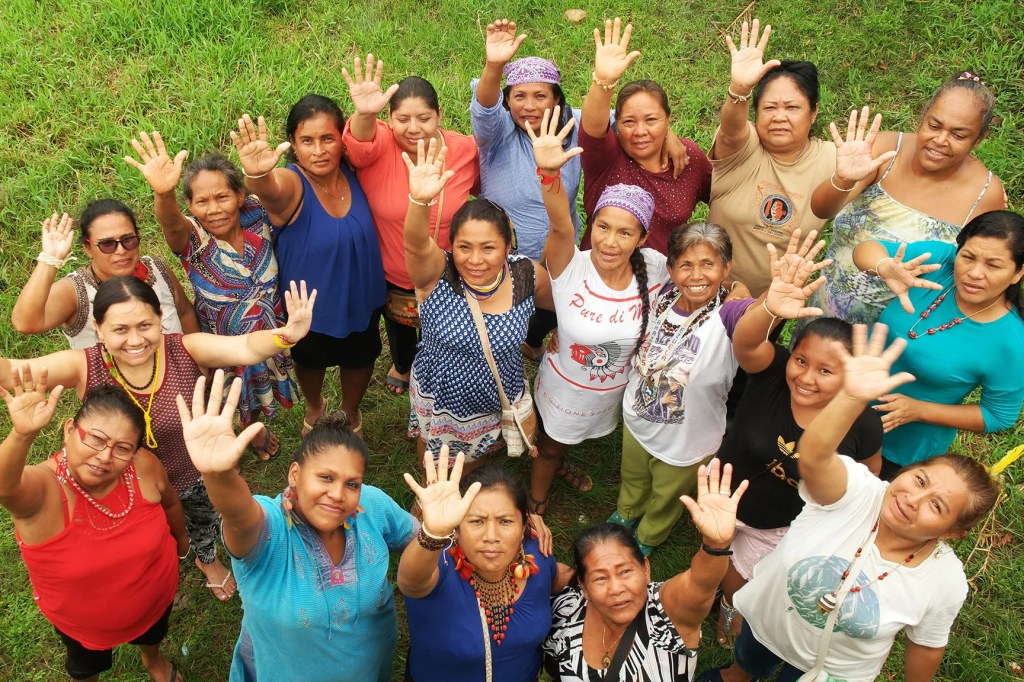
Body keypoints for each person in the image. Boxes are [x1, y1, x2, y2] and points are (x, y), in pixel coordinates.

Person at [700, 325, 1001, 682]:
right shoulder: (858, 493)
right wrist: (851, 399)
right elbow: (812, 457)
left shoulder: (944, 581)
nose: (912, 499)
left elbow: (927, 645)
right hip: (766, 624)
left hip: (832, 671)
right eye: (919, 480)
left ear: (953, 532)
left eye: (937, 506)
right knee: (746, 662)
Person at [0, 275, 315, 602]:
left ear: (159, 321)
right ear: (98, 328)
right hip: (127, 481)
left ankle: (206, 559)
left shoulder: (183, 348)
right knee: (151, 533)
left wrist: (285, 336)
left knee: (205, 520)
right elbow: (13, 372)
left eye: (145, 326)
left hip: (193, 471)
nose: (135, 340)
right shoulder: (83, 365)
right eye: (120, 330)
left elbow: (245, 347)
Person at [177, 370, 416, 681]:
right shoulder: (270, 528)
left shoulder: (371, 504)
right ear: (294, 474)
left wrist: (439, 535)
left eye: (352, 483)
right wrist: (218, 475)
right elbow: (238, 513)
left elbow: (419, 541)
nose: (338, 495)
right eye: (326, 477)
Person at [714, 231, 882, 646]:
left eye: (826, 371)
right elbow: (746, 341)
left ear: (849, 378)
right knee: (712, 552)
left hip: (778, 524)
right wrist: (769, 306)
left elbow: (867, 482)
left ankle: (729, 608)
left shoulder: (860, 424)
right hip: (722, 492)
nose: (805, 377)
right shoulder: (773, 371)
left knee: (736, 579)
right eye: (802, 360)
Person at [0, 368, 187, 682]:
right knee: (86, 667)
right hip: (82, 625)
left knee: (154, 633)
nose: (104, 456)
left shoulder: (143, 466)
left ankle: (152, 660)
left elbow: (169, 501)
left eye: (122, 448)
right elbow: (5, 487)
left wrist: (181, 539)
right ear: (69, 429)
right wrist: (22, 435)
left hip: (155, 596)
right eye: (96, 439)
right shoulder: (44, 490)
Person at [526, 108, 667, 514]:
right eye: (603, 227)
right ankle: (537, 501)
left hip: (612, 396)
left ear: (642, 238)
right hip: (565, 391)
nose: (609, 241)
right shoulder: (572, 265)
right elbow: (559, 227)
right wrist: (549, 176)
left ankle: (562, 461)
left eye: (625, 232)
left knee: (576, 441)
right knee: (550, 446)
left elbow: (699, 279)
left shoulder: (656, 269)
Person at [125, 130, 297, 460]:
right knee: (230, 396)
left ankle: (257, 424)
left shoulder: (257, 215)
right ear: (190, 204)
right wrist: (164, 194)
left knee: (261, 387)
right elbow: (172, 224)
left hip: (271, 328)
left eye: (222, 197)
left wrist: (259, 172)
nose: (214, 209)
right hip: (224, 343)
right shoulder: (193, 239)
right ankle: (253, 433)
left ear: (239, 194)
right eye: (201, 201)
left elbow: (275, 194)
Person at [231, 95, 386, 435]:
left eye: (327, 138)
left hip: (361, 293)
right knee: (310, 359)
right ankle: (315, 408)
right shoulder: (293, 183)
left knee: (360, 355)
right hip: (309, 305)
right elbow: (271, 190)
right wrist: (257, 175)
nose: (319, 150)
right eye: (307, 141)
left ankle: (349, 412)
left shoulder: (353, 171)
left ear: (341, 139)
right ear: (294, 147)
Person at [807, 73, 1006, 325]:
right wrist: (843, 180)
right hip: (826, 307)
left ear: (981, 136)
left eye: (958, 135)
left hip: (900, 329)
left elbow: (975, 270)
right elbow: (821, 209)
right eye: (934, 126)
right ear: (923, 116)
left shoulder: (985, 194)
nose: (940, 140)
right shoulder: (887, 150)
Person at [403, 138, 552, 468]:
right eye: (464, 247)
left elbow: (554, 307)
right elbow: (414, 245)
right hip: (440, 393)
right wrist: (419, 200)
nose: (475, 260)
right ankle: (433, 499)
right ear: (450, 245)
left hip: (496, 393)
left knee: (476, 457)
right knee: (434, 453)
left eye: (488, 248)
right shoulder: (436, 274)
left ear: (508, 246)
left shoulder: (527, 275)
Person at [613, 222, 754, 555]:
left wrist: (767, 305)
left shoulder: (730, 313)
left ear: (726, 267)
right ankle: (627, 513)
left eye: (708, 264)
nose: (696, 275)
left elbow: (757, 319)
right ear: (671, 268)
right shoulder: (662, 294)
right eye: (686, 265)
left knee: (666, 494)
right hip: (638, 417)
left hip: (688, 439)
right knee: (633, 476)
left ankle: (648, 534)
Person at [342, 56, 479, 396]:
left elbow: (487, 190)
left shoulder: (462, 150)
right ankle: (403, 363)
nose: (413, 128)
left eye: (424, 118)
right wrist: (364, 113)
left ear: (440, 115)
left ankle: (439, 368)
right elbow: (357, 147)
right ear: (389, 119)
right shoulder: (380, 144)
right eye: (402, 119)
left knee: (446, 332)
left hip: (449, 271)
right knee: (400, 327)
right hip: (393, 272)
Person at [543, 458, 748, 681]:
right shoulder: (565, 610)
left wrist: (715, 546)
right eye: (600, 578)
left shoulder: (667, 614)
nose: (616, 588)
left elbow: (700, 585)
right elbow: (538, 571)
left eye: (625, 572)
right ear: (583, 586)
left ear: (646, 569)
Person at [851, 210, 1024, 472]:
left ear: (1018, 273)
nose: (975, 273)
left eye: (993, 265)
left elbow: (997, 415)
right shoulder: (939, 263)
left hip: (897, 447)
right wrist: (884, 266)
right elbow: (866, 249)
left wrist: (919, 410)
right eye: (968, 257)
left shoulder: (1012, 342)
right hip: (843, 403)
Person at [398, 447, 565, 682]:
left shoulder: (537, 554)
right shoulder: (439, 565)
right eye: (476, 521)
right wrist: (433, 534)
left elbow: (563, 579)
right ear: (456, 529)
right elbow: (410, 581)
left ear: (524, 526)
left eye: (505, 521)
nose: (491, 535)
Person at [706, 19, 837, 296]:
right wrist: (739, 90)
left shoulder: (831, 159)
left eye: (792, 107)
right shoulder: (745, 147)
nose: (779, 117)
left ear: (813, 113)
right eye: (769, 107)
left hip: (771, 304)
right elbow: (731, 131)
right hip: (706, 289)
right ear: (756, 113)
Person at [578, 18, 712, 255]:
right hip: (599, 282)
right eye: (629, 122)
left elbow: (725, 198)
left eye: (651, 120)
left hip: (662, 286)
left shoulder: (688, 156)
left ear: (668, 120)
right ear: (617, 124)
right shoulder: (607, 157)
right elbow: (592, 127)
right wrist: (604, 82)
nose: (640, 131)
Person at [11, 200, 198, 349]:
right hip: (113, 396)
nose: (121, 250)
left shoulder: (156, 269)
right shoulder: (76, 291)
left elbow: (185, 313)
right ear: (87, 248)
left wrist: (199, 368)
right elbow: (25, 323)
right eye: (107, 244)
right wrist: (50, 260)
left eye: (128, 240)